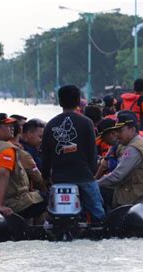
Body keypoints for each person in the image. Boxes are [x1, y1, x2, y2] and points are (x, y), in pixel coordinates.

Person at [41, 85, 105, 222]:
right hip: (84, 176)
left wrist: (46, 177)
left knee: (50, 215)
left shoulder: (50, 125)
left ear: (59, 102)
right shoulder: (87, 122)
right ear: (78, 101)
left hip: (59, 179)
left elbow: (45, 157)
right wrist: (91, 173)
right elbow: (92, 154)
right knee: (98, 213)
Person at [0, 113, 46, 219]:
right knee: (50, 197)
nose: (12, 128)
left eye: (12, 126)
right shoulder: (7, 149)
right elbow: (2, 174)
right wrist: (1, 206)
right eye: (8, 126)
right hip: (5, 203)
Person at [97, 112, 143, 208]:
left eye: (120, 131)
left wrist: (94, 185)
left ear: (132, 130)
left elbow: (116, 176)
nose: (117, 135)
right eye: (116, 131)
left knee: (98, 193)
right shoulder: (141, 142)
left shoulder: (134, 149)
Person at [19, 119, 47, 192]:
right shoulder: (24, 151)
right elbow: (38, 179)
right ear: (29, 134)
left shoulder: (34, 149)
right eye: (40, 137)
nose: (42, 140)